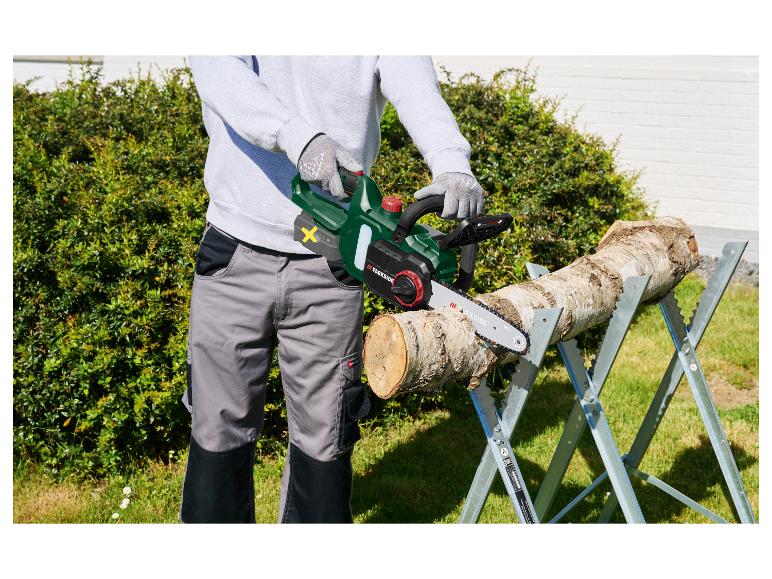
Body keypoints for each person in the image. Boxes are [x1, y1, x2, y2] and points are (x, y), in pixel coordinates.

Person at [181, 56, 485, 523]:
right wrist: (296, 136)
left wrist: (451, 163)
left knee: (326, 438)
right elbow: (218, 71)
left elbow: (416, 86)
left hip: (332, 262)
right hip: (235, 250)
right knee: (216, 430)